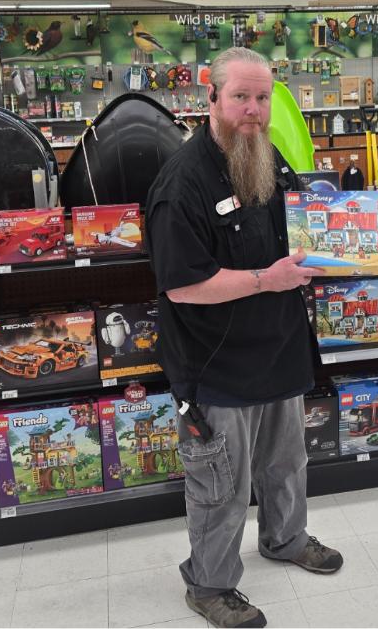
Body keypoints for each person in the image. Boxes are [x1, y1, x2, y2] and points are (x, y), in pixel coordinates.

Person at [146, 47, 343, 629]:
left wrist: (339, 241)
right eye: (241, 98)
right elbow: (184, 287)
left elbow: (297, 228)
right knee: (221, 485)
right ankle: (209, 585)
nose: (254, 111)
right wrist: (267, 279)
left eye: (262, 98)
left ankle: (285, 539)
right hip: (216, 365)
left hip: (278, 348)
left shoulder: (266, 156)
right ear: (210, 97)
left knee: (286, 463)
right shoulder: (180, 183)